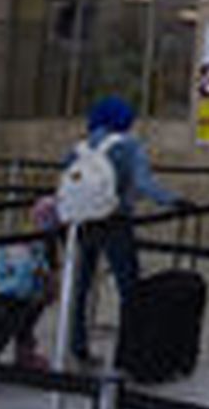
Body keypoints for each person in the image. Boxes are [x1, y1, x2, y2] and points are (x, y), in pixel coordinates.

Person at [67, 96, 185, 367]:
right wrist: (172, 200)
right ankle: (131, 351)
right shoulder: (129, 146)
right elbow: (144, 183)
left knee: (81, 287)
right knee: (129, 288)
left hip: (82, 222)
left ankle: (77, 345)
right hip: (115, 221)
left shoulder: (80, 147)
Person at [0, 195, 61, 370]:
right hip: (27, 288)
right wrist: (49, 286)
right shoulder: (41, 238)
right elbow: (39, 267)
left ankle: (23, 353)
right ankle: (23, 355)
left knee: (25, 320)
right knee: (25, 320)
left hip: (26, 287)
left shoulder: (42, 237)